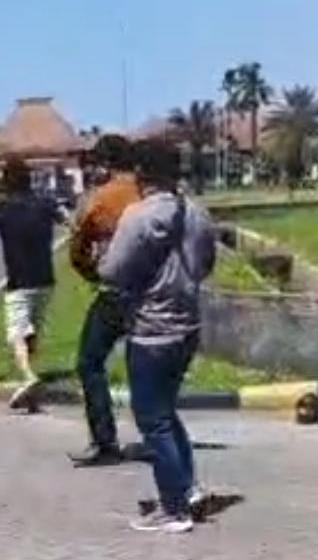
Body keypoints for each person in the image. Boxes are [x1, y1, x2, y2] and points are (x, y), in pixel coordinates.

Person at [97, 138, 216, 534]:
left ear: (141, 173)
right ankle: (187, 488)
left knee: (153, 419)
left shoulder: (138, 216)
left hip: (151, 329)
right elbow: (206, 264)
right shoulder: (197, 213)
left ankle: (174, 508)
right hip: (187, 325)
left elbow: (112, 272)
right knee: (166, 412)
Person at [0, 158, 66, 410]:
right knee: (33, 331)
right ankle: (29, 381)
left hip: (19, 280)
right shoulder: (44, 203)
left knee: (17, 334)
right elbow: (65, 218)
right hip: (45, 278)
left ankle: (28, 377)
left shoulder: (4, 209)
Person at [67, 135, 141, 466]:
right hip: (154, 294)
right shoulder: (148, 194)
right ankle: (160, 434)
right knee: (147, 364)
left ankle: (104, 440)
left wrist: (93, 275)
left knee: (89, 362)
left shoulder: (99, 200)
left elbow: (78, 249)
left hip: (115, 292)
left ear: (104, 164)